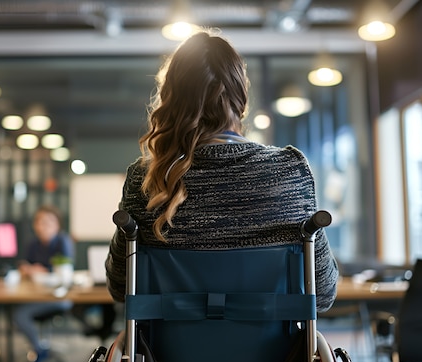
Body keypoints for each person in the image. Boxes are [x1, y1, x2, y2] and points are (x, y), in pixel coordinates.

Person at [105, 30, 339, 313]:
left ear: (171, 100)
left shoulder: (146, 181)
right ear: (240, 96)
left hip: (167, 355)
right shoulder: (289, 171)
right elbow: (323, 292)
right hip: (275, 355)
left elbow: (120, 287)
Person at [14, 205, 74, 362]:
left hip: (59, 297)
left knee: (20, 315)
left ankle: (39, 349)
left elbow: (63, 271)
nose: (42, 226)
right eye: (39, 222)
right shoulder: (33, 244)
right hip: (36, 295)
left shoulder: (62, 242)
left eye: (47, 222)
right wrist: (29, 269)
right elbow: (24, 266)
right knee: (16, 310)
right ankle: (40, 347)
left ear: (57, 225)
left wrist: (42, 270)